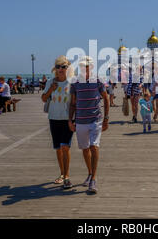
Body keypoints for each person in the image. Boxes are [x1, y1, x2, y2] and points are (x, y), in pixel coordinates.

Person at [68, 56, 110, 194]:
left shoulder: (98, 80)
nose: (83, 68)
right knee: (85, 149)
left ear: (91, 67)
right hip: (80, 120)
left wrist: (106, 119)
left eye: (86, 66)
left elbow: (106, 99)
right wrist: (70, 120)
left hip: (95, 119)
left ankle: (94, 179)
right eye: (81, 66)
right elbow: (73, 103)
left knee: (94, 146)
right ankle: (90, 173)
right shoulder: (75, 82)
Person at [42, 56, 75, 189]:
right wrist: (51, 89)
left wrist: (74, 119)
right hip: (54, 118)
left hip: (67, 119)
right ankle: (62, 174)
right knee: (58, 148)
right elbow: (44, 99)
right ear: (55, 69)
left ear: (68, 68)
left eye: (63, 67)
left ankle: (67, 176)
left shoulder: (72, 82)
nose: (61, 69)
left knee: (65, 146)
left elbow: (74, 102)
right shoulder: (50, 82)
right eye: (58, 67)